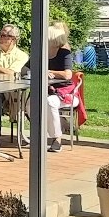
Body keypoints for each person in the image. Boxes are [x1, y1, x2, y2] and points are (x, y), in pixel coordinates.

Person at [42, 22, 75, 153]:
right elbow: (25, 68)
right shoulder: (42, 51)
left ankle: (57, 139)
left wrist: (48, 71)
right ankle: (41, 133)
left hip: (65, 93)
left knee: (50, 102)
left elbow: (68, 75)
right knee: (29, 104)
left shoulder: (64, 53)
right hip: (46, 90)